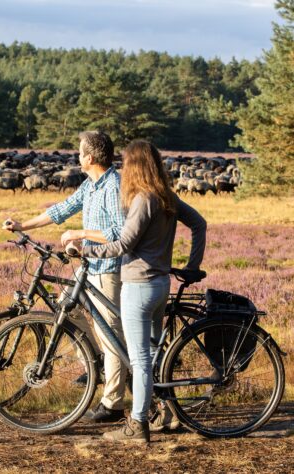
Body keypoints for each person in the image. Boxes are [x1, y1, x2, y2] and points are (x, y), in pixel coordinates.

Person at [77, 139, 207, 443]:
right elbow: (199, 224)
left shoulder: (144, 199)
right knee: (150, 355)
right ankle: (162, 413)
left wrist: (85, 249)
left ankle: (137, 425)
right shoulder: (165, 196)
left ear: (134, 165)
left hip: (139, 286)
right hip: (160, 284)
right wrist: (192, 265)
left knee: (140, 360)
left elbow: (124, 244)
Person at [3, 130, 128, 422]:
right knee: (65, 308)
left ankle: (113, 403)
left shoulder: (113, 186)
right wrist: (24, 225)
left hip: (109, 269)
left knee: (110, 335)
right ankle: (98, 363)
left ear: (91, 157)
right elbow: (62, 210)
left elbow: (120, 233)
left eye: (80, 152)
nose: (78, 157)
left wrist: (81, 235)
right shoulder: (91, 186)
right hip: (90, 267)